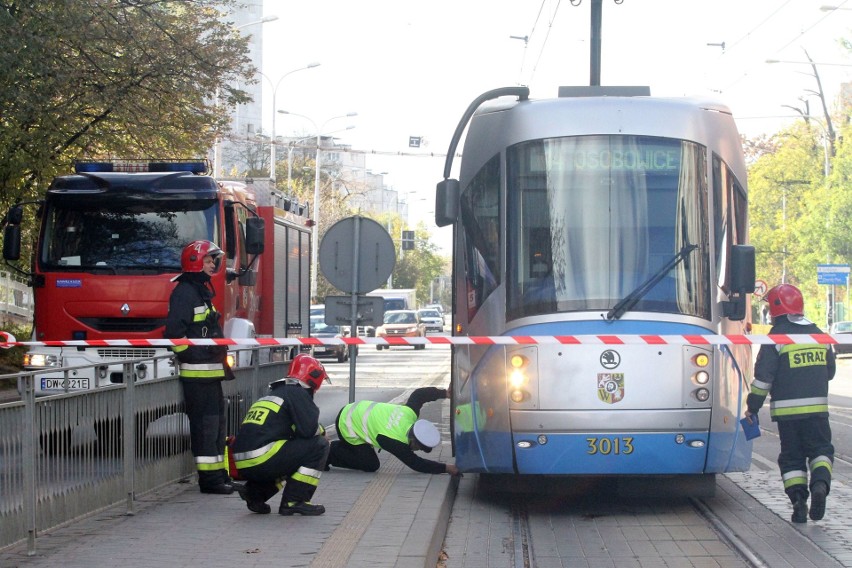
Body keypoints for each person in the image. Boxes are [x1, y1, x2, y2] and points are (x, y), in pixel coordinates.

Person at [744, 284, 835, 524]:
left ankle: (798, 504)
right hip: (817, 413)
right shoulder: (819, 334)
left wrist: (752, 406)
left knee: (792, 459)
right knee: (821, 452)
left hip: (787, 416)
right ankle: (820, 485)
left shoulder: (776, 338)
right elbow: (831, 371)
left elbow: (763, 379)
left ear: (775, 308)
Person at [164, 240, 233, 495]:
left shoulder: (200, 290)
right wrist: (192, 356)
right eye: (208, 259)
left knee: (216, 427)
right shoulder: (185, 292)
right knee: (205, 429)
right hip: (197, 375)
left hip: (211, 373)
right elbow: (174, 334)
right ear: (195, 261)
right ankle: (210, 481)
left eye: (213, 259)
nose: (213, 263)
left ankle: (219, 475)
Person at [232, 354, 330, 516]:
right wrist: (322, 432)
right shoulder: (298, 394)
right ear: (314, 378)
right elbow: (308, 430)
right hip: (262, 457)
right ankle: (294, 501)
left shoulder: (275, 393)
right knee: (319, 445)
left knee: (290, 454)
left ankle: (255, 494)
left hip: (243, 463)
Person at [328, 386, 460, 476]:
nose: (416, 450)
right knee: (370, 464)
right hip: (346, 424)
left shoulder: (410, 414)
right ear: (414, 440)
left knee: (367, 452)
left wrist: (445, 393)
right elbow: (416, 464)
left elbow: (419, 395)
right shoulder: (395, 441)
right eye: (418, 448)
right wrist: (447, 468)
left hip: (355, 408)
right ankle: (327, 452)